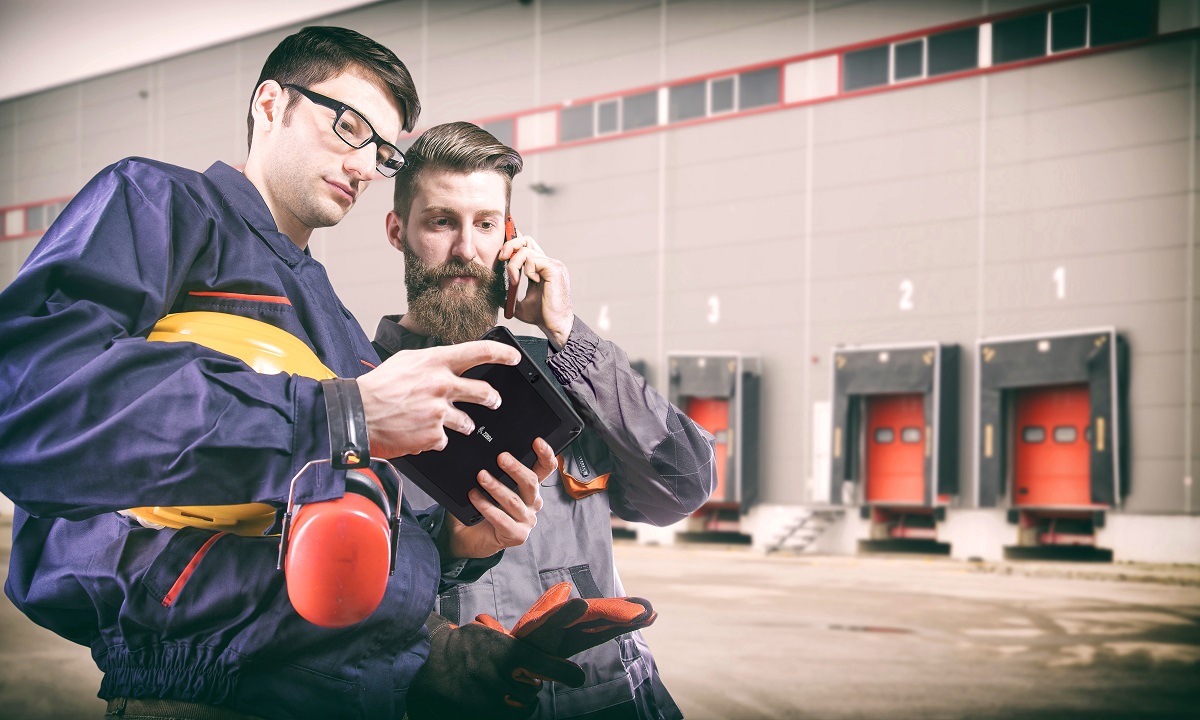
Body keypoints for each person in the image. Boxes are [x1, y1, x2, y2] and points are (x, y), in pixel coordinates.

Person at [0, 27, 552, 720]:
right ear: (269, 104)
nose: (362, 165)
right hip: (202, 697)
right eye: (348, 127)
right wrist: (338, 417)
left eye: (381, 152)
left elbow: (330, 537)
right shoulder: (158, 206)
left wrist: (452, 554)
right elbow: (32, 401)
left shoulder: (337, 328)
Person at [373, 121, 717, 719]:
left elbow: (682, 486)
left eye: (484, 224)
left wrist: (568, 336)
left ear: (508, 236)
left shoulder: (571, 377)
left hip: (613, 700)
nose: (465, 249)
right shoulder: (366, 394)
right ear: (398, 231)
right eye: (441, 221)